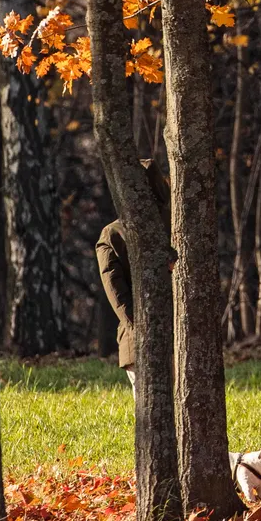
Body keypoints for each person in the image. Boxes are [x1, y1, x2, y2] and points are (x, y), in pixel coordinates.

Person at [95, 160, 171, 389]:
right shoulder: (178, 225)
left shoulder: (113, 234)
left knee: (151, 416)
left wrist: (141, 329)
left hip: (138, 343)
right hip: (180, 340)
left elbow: (117, 295)